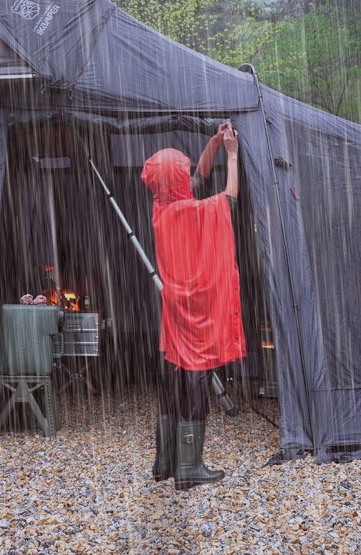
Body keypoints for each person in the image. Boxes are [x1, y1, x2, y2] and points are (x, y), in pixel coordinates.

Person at [140, 122, 245, 490]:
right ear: (175, 181)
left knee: (173, 381)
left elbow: (198, 178)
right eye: (182, 171)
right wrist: (232, 156)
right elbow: (229, 200)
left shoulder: (162, 207)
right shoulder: (188, 211)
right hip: (196, 313)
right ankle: (189, 468)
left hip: (174, 313)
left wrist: (214, 143)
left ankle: (165, 461)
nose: (189, 175)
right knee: (195, 382)